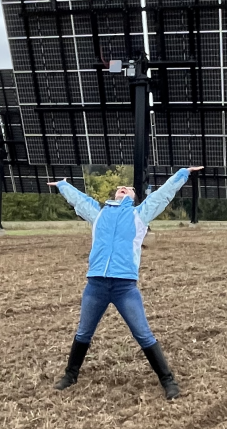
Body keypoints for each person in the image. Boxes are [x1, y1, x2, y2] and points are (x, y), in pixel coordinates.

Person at [47, 166, 203, 400]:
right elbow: (80, 201)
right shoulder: (98, 214)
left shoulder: (140, 214)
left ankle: (168, 381)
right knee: (83, 332)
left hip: (124, 288)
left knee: (143, 334)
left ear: (134, 198)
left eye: (129, 189)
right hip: (96, 285)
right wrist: (63, 186)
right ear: (113, 196)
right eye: (121, 188)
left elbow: (163, 194)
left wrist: (182, 173)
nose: (124, 188)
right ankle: (70, 376)